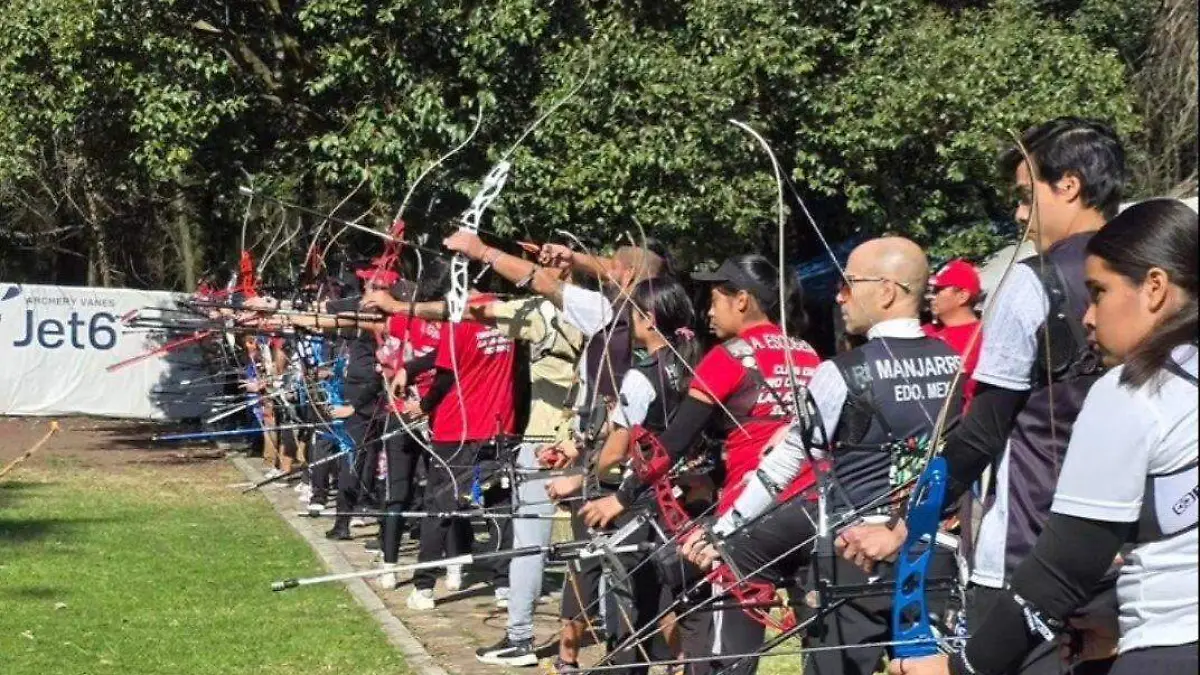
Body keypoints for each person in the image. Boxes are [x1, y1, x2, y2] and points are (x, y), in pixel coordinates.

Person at [838, 117, 1130, 675]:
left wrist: (906, 526)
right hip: (1125, 560)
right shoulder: (1154, 274)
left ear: (1068, 185)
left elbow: (984, 429)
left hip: (1031, 558)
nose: (1021, 215)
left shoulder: (1032, 282)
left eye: (1027, 196)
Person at [892, 199, 1198, 675]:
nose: (1088, 317)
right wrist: (1112, 616)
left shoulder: (1134, 391)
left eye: (1098, 292)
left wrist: (958, 668)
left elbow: (1059, 573)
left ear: (1155, 287)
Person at [679, 240, 963, 675]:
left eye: (849, 284)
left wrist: (724, 531)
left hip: (853, 559)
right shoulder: (953, 362)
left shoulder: (843, 371)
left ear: (886, 291)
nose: (838, 295)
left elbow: (784, 464)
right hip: (932, 555)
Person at [580, 253, 822, 675]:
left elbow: (672, 443)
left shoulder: (730, 356)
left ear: (742, 301)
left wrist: (622, 496)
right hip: (810, 507)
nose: (709, 311)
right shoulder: (806, 353)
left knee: (725, 653)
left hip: (752, 515)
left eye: (715, 299)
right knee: (815, 640)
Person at [923, 259, 983, 407]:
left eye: (938, 290)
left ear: (962, 296)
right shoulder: (922, 332)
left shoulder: (984, 338)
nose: (932, 297)